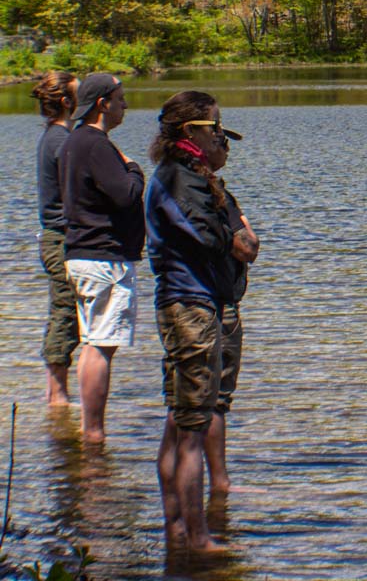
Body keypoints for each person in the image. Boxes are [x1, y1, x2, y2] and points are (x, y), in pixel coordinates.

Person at [146, 92, 258, 551]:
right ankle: (193, 536)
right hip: (188, 305)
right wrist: (234, 235)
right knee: (189, 426)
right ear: (190, 132)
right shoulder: (176, 178)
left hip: (203, 303)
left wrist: (237, 236)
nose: (220, 137)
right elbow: (216, 236)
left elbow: (244, 239)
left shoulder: (196, 177)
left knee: (184, 420)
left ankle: (183, 530)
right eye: (215, 128)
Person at [60, 72, 145, 443]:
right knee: (101, 344)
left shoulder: (74, 142)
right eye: (121, 98)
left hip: (84, 254)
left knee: (95, 341)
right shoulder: (95, 145)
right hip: (103, 258)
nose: (125, 105)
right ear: (102, 103)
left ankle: (88, 428)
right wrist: (135, 170)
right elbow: (126, 194)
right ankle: (93, 432)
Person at [204, 129, 258, 497]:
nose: (227, 150)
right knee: (212, 401)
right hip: (213, 307)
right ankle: (219, 487)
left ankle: (211, 496)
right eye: (222, 141)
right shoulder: (207, 191)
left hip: (205, 302)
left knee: (191, 403)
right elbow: (248, 246)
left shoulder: (184, 182)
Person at [32, 70, 80, 405]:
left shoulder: (55, 136)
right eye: (80, 93)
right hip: (59, 239)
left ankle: (56, 392)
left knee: (64, 310)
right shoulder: (61, 141)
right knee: (65, 312)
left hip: (56, 237)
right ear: (67, 102)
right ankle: (57, 395)